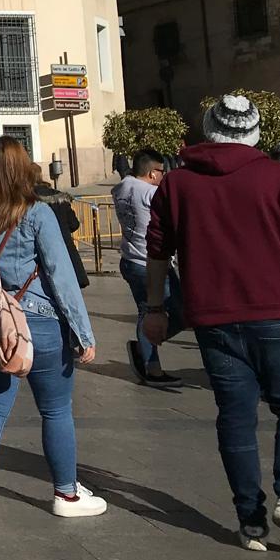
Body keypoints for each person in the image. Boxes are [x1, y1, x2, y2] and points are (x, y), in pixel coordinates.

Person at [144, 94, 280, 550]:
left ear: (208, 130)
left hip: (212, 318)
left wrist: (155, 309)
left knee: (234, 417)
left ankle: (250, 521)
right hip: (279, 312)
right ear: (254, 134)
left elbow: (156, 250)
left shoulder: (176, 185)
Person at [0, 136, 104, 531]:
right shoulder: (37, 213)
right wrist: (82, 332)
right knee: (55, 409)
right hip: (35, 319)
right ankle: (66, 493)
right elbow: (61, 275)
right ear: (23, 169)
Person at [113, 150, 179, 387]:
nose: (163, 176)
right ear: (152, 172)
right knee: (179, 311)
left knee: (147, 312)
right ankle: (148, 359)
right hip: (150, 262)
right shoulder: (152, 193)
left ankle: (149, 357)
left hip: (130, 259)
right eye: (161, 171)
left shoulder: (121, 188)